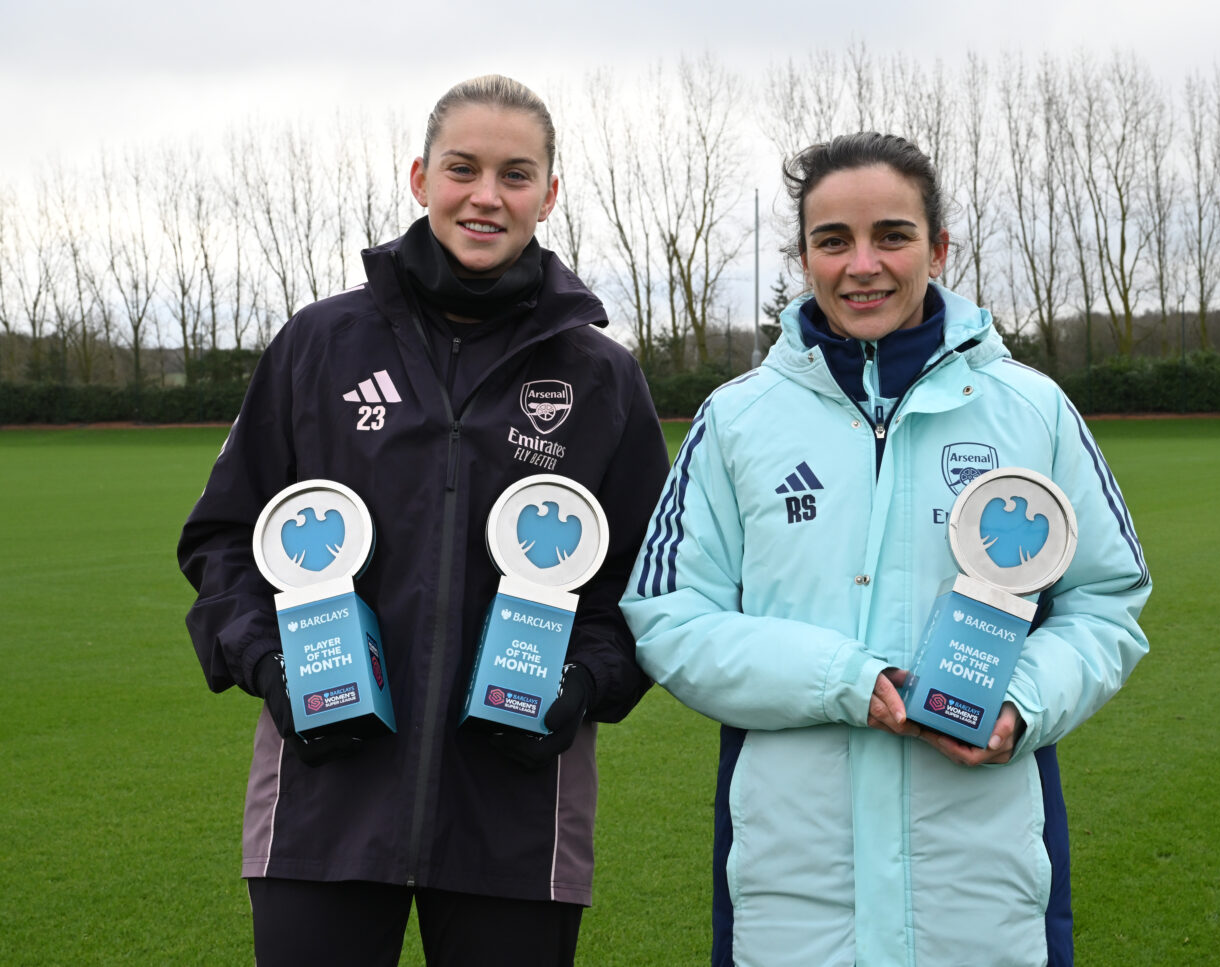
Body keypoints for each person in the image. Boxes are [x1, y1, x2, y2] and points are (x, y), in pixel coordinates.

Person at [621, 132, 1151, 967]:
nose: (862, 263)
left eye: (892, 235)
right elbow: (667, 614)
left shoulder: (1033, 410)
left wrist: (1020, 701)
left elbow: (1106, 600)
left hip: (982, 891)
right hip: (792, 893)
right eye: (833, 240)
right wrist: (842, 680)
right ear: (803, 258)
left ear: (938, 248)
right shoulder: (735, 420)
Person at [178, 75, 669, 967]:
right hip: (324, 805)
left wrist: (583, 683)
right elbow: (222, 538)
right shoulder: (318, 344)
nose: (487, 195)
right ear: (420, 178)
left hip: (518, 815)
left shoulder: (602, 376)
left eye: (516, 174)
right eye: (463, 168)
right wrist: (271, 663)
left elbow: (648, 585)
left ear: (549, 194)